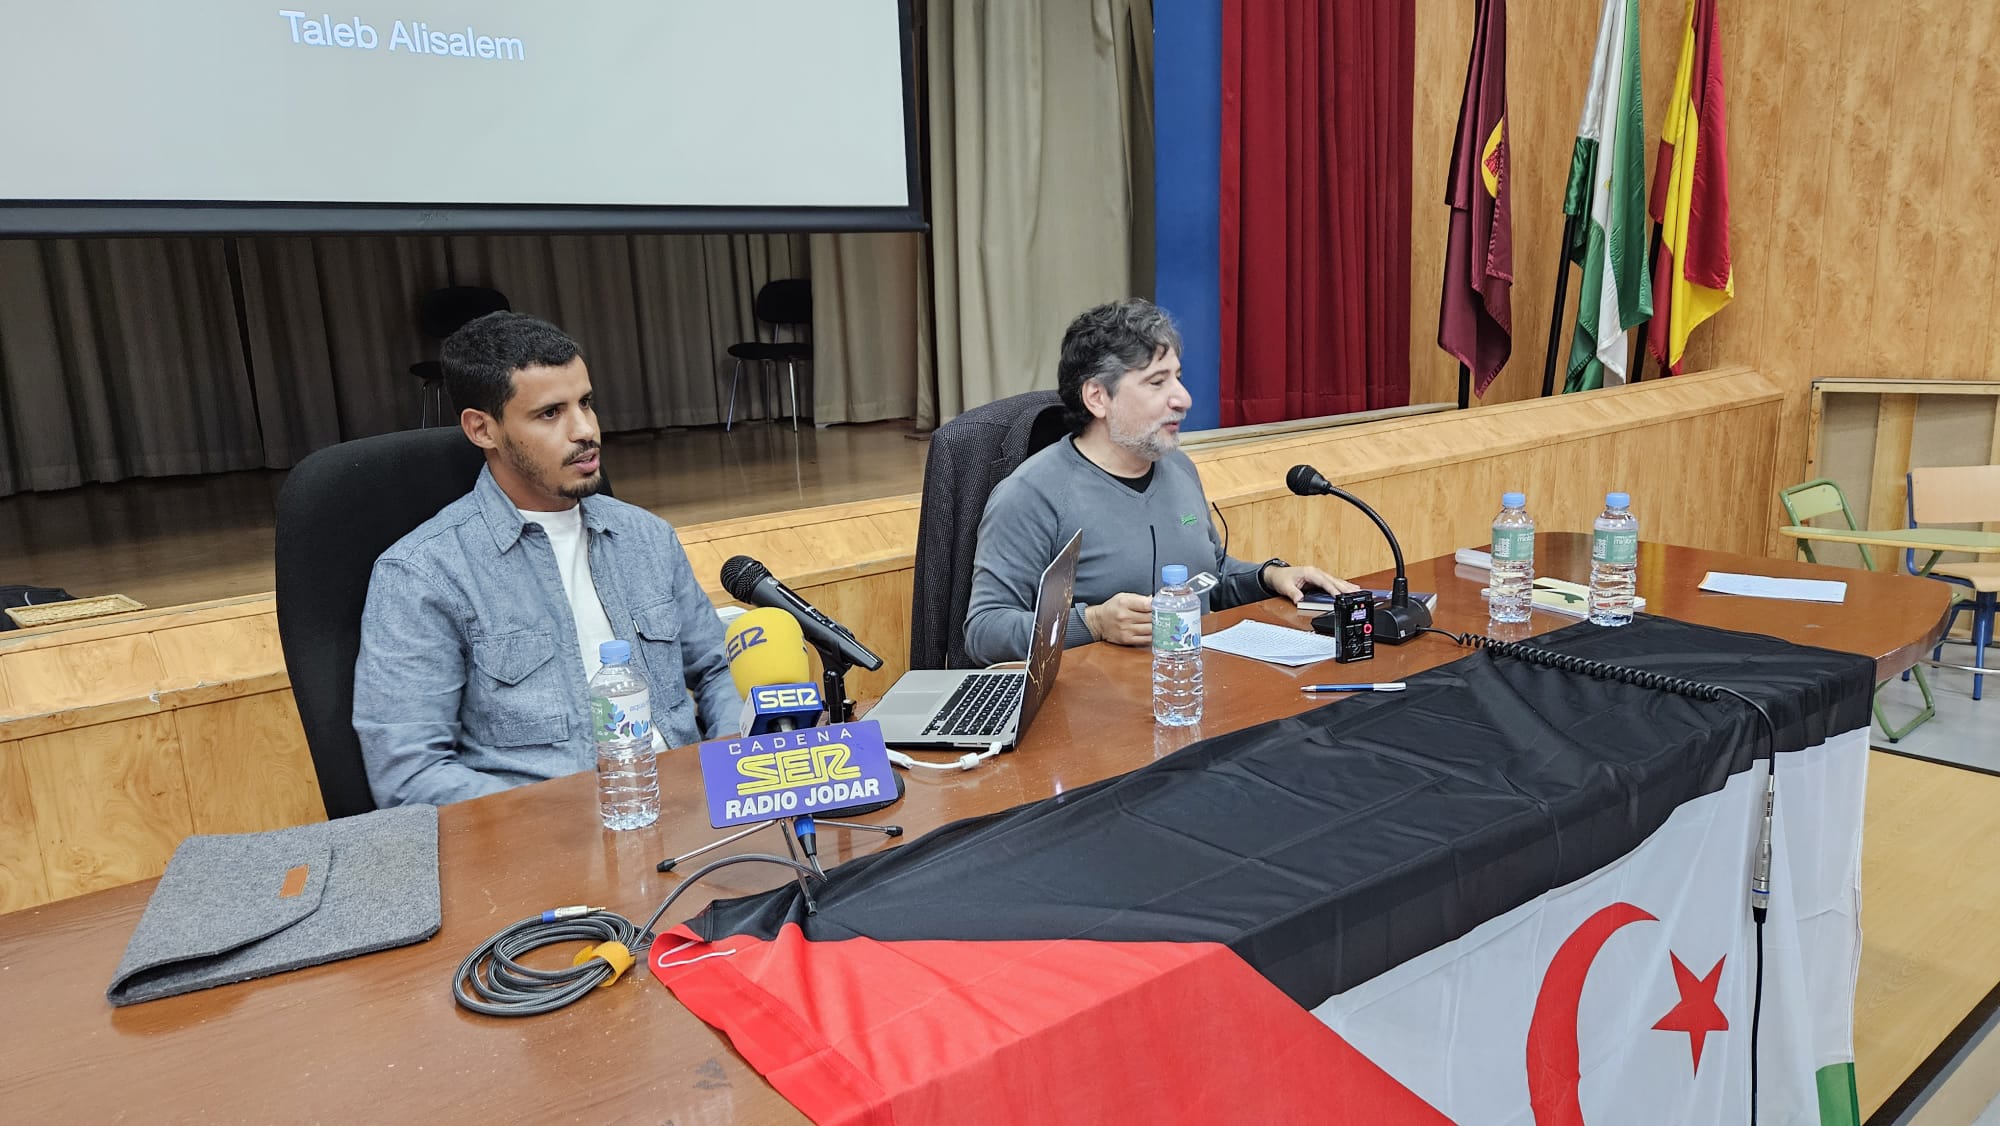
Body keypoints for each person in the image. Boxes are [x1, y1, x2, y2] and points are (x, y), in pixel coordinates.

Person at [353, 312, 739, 807]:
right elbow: (410, 776)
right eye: (550, 413)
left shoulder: (646, 537)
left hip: (693, 814)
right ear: (482, 430)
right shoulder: (423, 575)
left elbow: (715, 669)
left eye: (586, 403)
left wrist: (731, 757)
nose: (585, 431)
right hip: (542, 848)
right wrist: (575, 818)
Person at [963, 299, 1358, 666]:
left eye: (1178, 378)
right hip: (1093, 724)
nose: (1183, 398)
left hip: (1194, 692)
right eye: (1157, 382)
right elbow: (985, 631)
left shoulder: (1179, 468)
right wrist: (1093, 623)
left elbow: (1207, 575)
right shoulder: (1030, 495)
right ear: (1098, 398)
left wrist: (1269, 576)